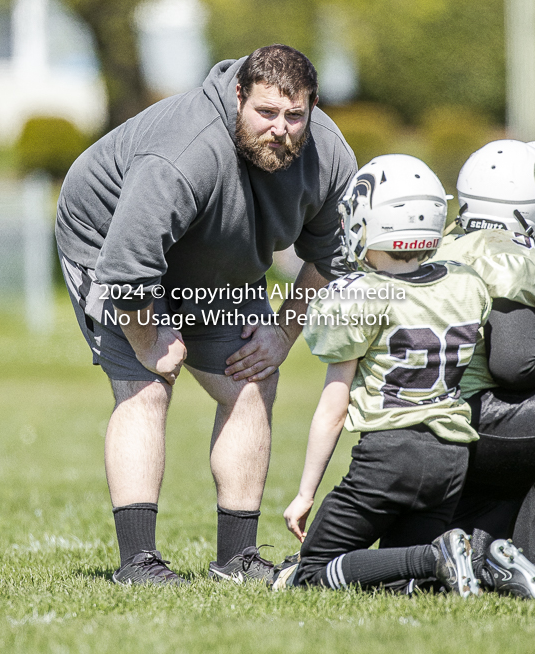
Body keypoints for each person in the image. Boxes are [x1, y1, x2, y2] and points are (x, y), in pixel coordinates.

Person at [55, 44, 357, 585]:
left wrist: (282, 334)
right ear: (239, 96)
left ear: (311, 107)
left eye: (295, 115)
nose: (281, 129)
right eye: (266, 113)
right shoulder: (183, 152)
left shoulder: (329, 154)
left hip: (217, 259)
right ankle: (138, 564)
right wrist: (150, 341)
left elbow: (331, 256)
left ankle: (237, 559)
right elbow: (126, 267)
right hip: (110, 242)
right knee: (147, 387)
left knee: (252, 379)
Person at [272, 154, 491, 596]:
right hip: (452, 458)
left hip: (390, 459)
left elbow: (333, 409)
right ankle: (445, 561)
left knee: (312, 572)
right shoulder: (466, 283)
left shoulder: (361, 295)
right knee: (400, 582)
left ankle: (435, 555)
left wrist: (305, 494)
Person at [435, 140, 535, 597]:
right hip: (470, 418)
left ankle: (484, 549)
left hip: (420, 417)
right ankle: (527, 563)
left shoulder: (447, 240)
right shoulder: (505, 253)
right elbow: (514, 364)